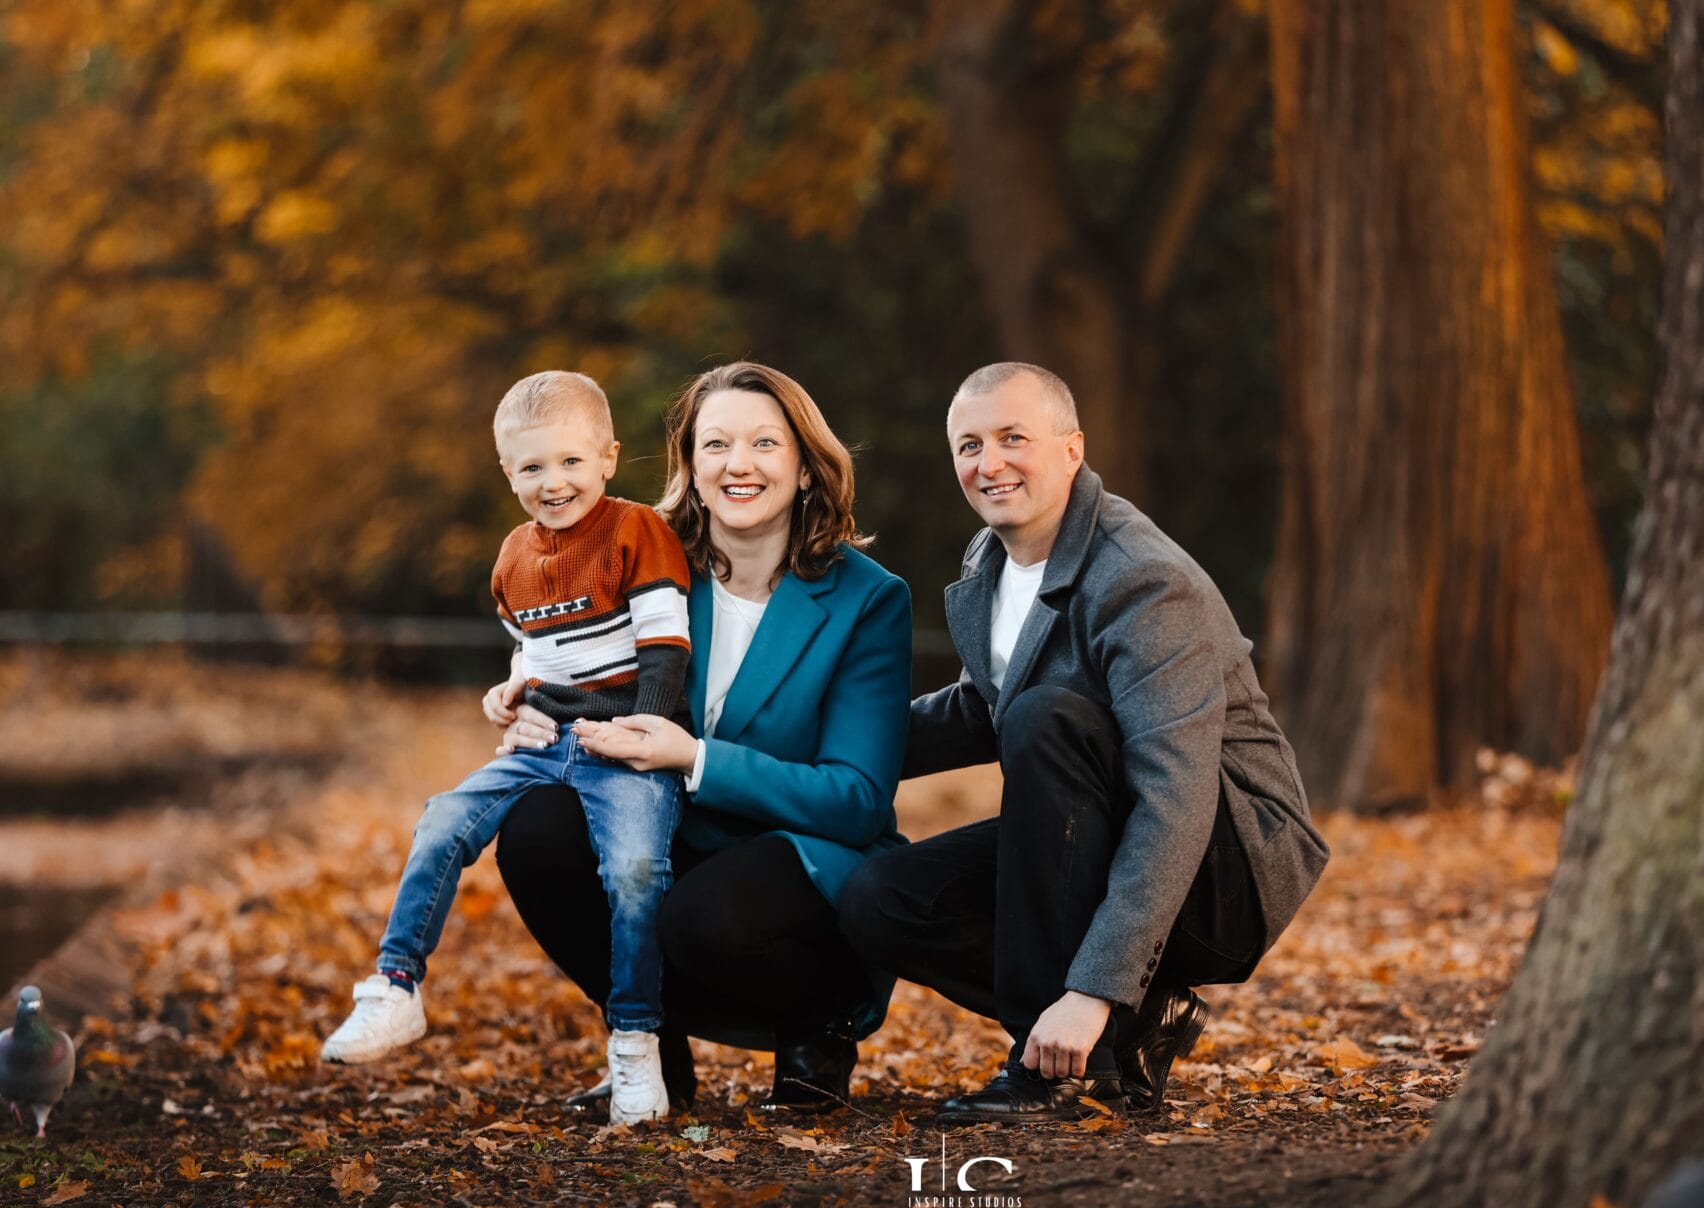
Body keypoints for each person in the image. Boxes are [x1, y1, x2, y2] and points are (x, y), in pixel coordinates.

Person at [838, 362, 1330, 1122]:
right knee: (882, 899)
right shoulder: (991, 558)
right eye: (969, 445)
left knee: (1046, 718)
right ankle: (1134, 1026)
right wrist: (819, 746)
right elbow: (981, 707)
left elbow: (1177, 794)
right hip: (1095, 829)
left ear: (1072, 450)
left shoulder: (1142, 580)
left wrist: (1091, 986)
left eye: (1013, 438)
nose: (988, 463)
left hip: (1225, 865)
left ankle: (1063, 1057)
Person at [492, 361, 912, 1113]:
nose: (738, 465)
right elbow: (570, 676)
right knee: (534, 830)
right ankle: (651, 1055)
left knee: (705, 911)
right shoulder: (643, 563)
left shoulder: (867, 599)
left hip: (802, 861)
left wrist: (695, 758)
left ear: (805, 466)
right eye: (715, 445)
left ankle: (818, 1029)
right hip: (675, 834)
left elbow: (856, 801)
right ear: (689, 465)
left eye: (764, 444)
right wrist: (532, 710)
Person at [322, 371, 692, 1127]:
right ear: (507, 472)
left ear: (609, 458)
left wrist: (645, 731)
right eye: (531, 468)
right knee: (441, 819)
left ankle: (634, 1042)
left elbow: (665, 649)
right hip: (543, 739)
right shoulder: (513, 557)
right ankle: (395, 987)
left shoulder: (636, 532)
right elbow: (535, 654)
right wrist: (508, 690)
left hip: (624, 740)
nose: (553, 483)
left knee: (633, 871)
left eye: (570, 463)